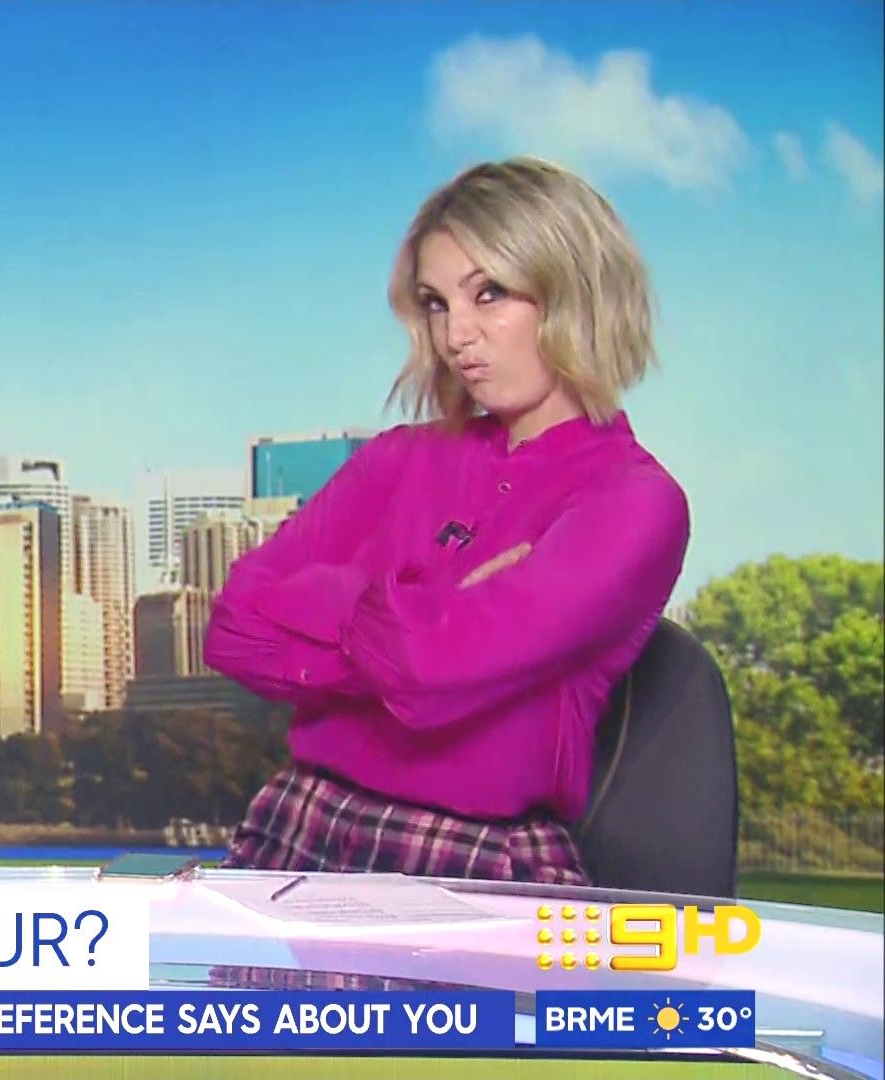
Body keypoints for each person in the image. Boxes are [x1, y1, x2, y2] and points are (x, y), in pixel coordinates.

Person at [204, 157, 689, 885]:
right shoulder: (398, 458)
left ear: (573, 292)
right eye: (436, 304)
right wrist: (419, 611)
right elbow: (234, 628)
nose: (456, 334)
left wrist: (338, 610)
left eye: (488, 294)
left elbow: (426, 673)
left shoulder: (635, 502)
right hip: (299, 818)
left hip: (473, 852)